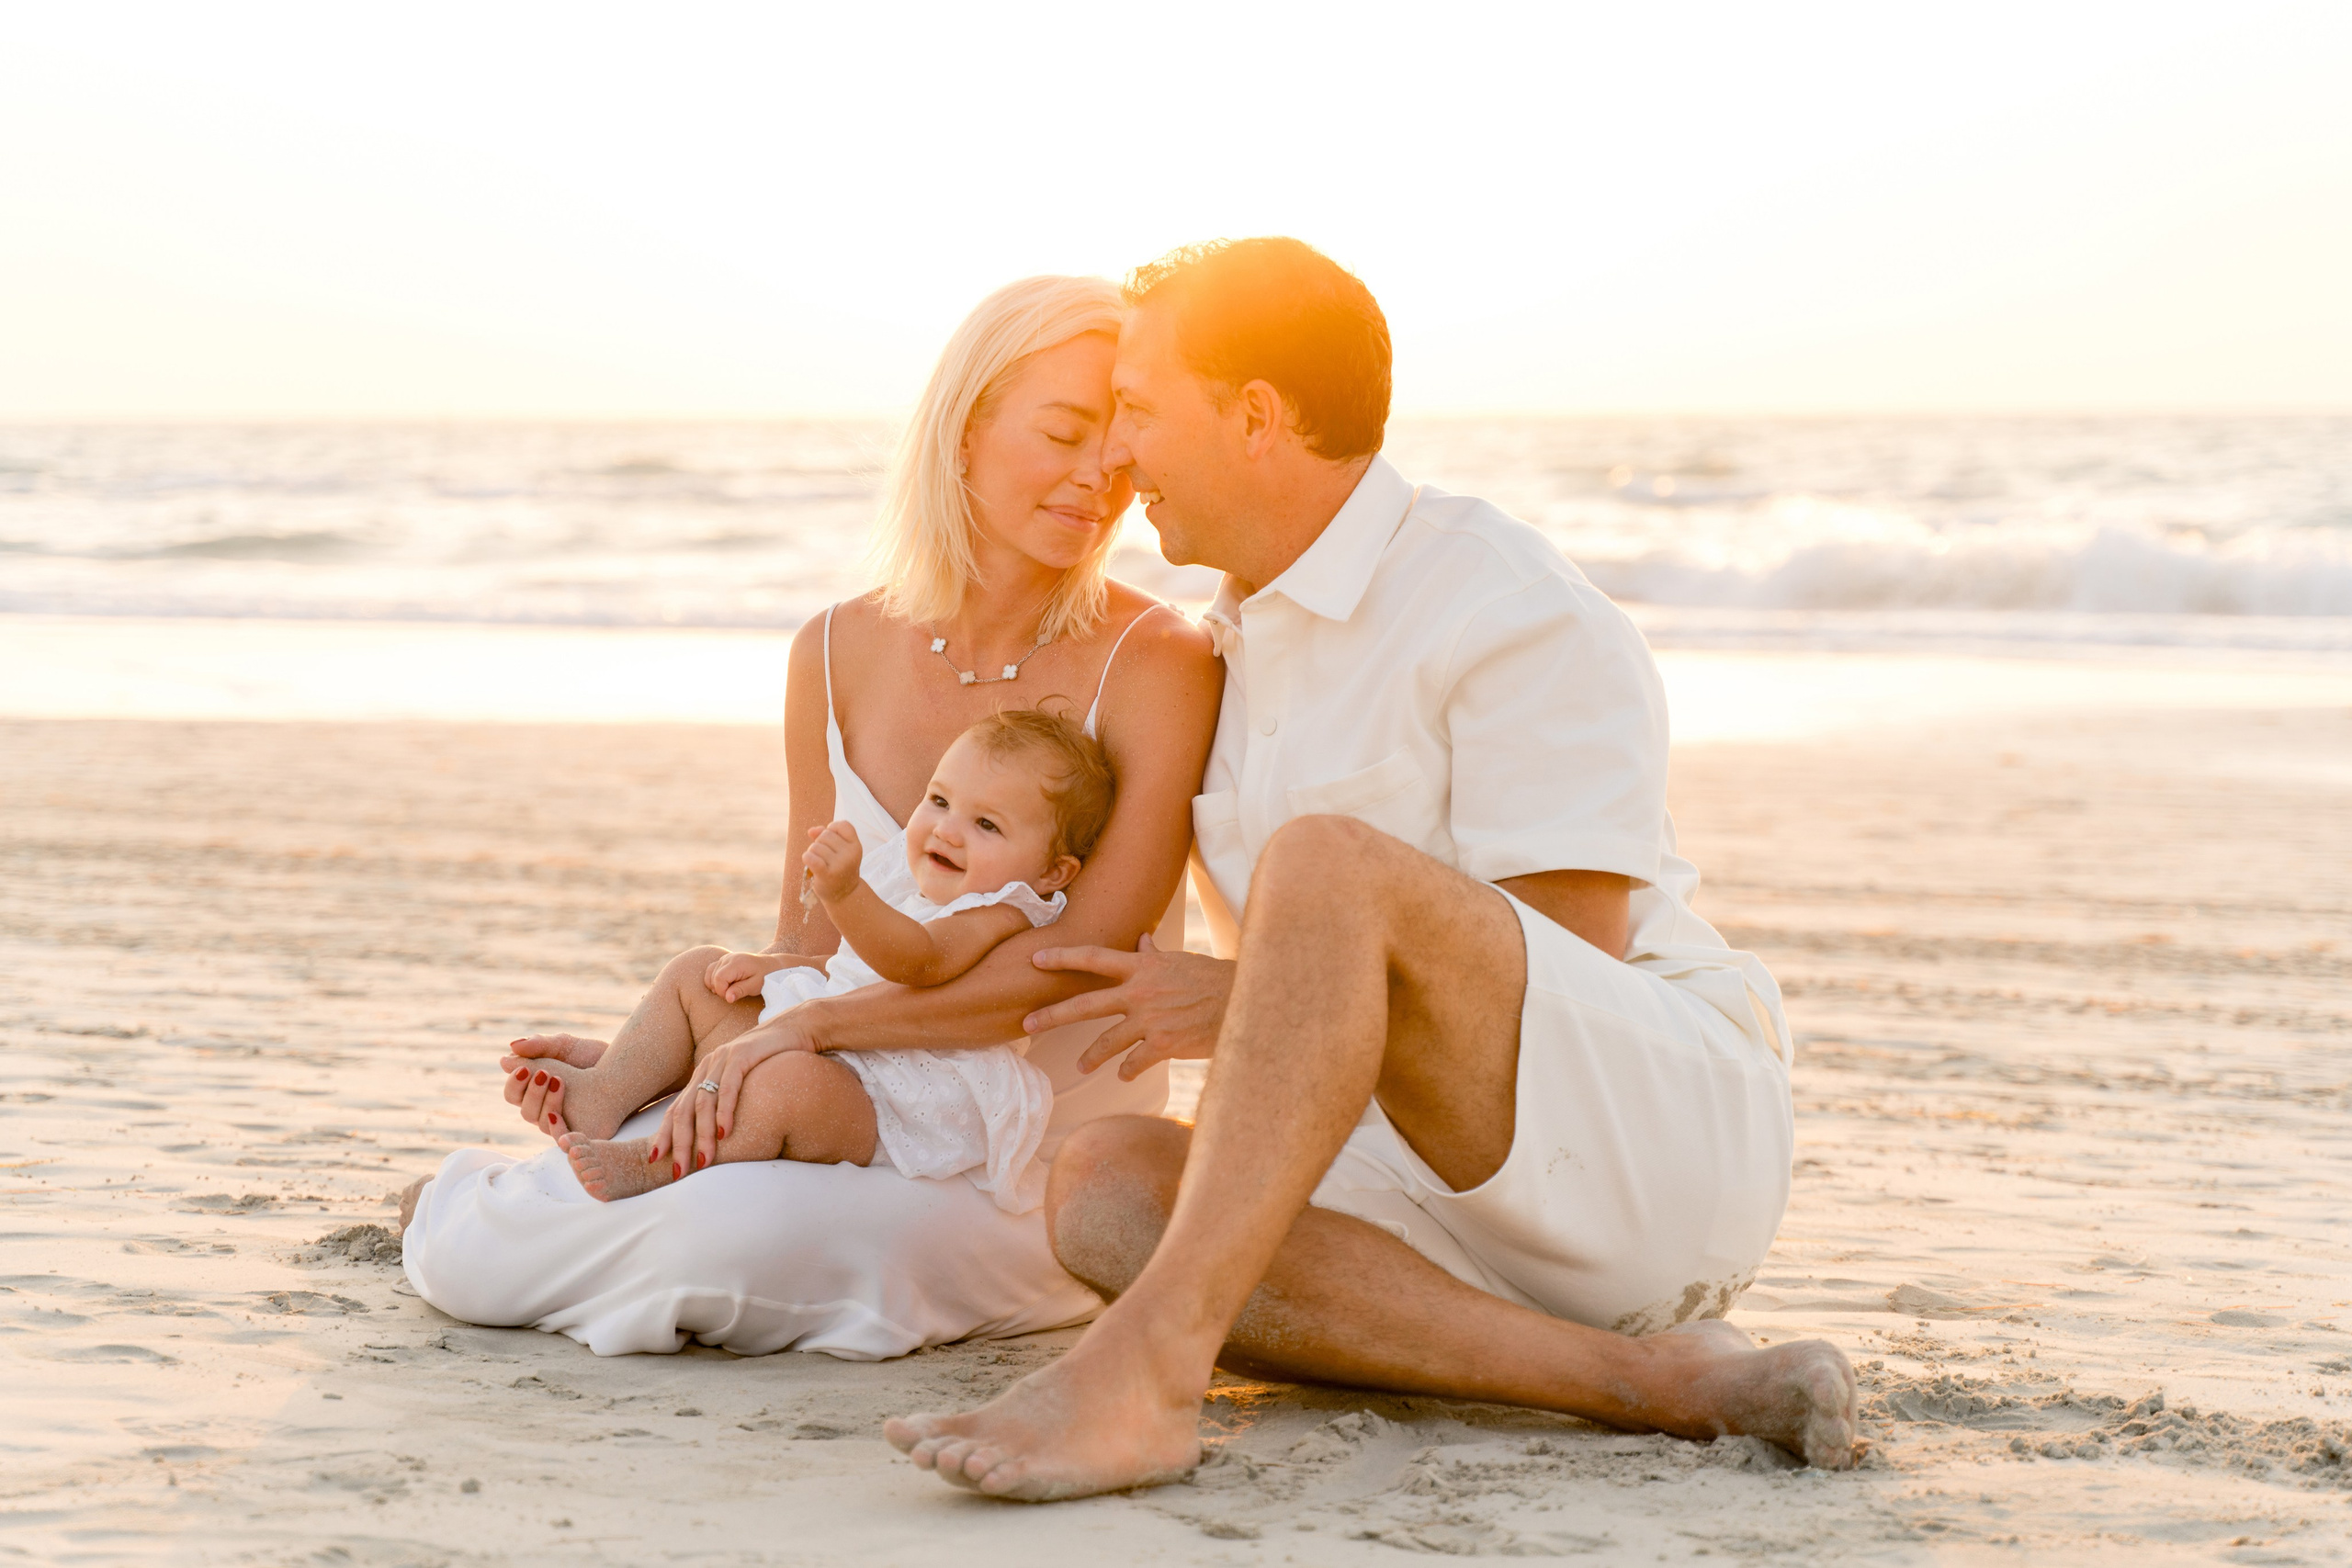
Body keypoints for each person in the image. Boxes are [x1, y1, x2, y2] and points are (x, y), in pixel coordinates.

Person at [883, 238, 1861, 1497]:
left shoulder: (1499, 600)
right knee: (1106, 1187)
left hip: (1648, 1142)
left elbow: (1575, 951)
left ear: (1254, 416)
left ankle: (1150, 1374)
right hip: (1425, 1194)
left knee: (1328, 864)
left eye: (1137, 408)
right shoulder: (1215, 653)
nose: (1117, 454)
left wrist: (1241, 997)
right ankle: (1658, 1382)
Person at [397, 275, 1224, 1361]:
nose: (1095, 481)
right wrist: (696, 1058)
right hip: (843, 1091)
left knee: (727, 1234)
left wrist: (806, 1035)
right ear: (966, 428)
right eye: (1065, 434)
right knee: (628, 1177)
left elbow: (1069, 962)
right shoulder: (830, 650)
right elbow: (807, 948)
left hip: (1013, 1151)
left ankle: (519, 1209)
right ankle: (549, 1182)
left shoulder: (1158, 657)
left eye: (1119, 457)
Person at [554, 708, 1115, 1215]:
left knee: (783, 1087)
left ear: (1052, 873)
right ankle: (611, 1087)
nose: (947, 830)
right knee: (698, 973)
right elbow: (857, 966)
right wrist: (777, 970)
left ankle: (656, 1161)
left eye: (986, 824)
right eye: (940, 801)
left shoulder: (1001, 909)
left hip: (900, 1087)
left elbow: (918, 962)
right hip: (840, 1038)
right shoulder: (914, 873)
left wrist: (846, 895)